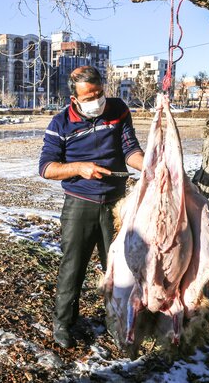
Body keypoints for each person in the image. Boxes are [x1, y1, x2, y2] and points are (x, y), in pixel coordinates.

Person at [38, 66, 144, 348]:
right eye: (89, 96)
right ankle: (63, 323)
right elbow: (47, 168)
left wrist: (151, 166)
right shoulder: (60, 123)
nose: (97, 100)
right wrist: (79, 168)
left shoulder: (118, 110)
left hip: (116, 205)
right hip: (80, 204)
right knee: (73, 267)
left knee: (118, 268)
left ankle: (116, 322)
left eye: (99, 93)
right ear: (75, 98)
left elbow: (130, 148)